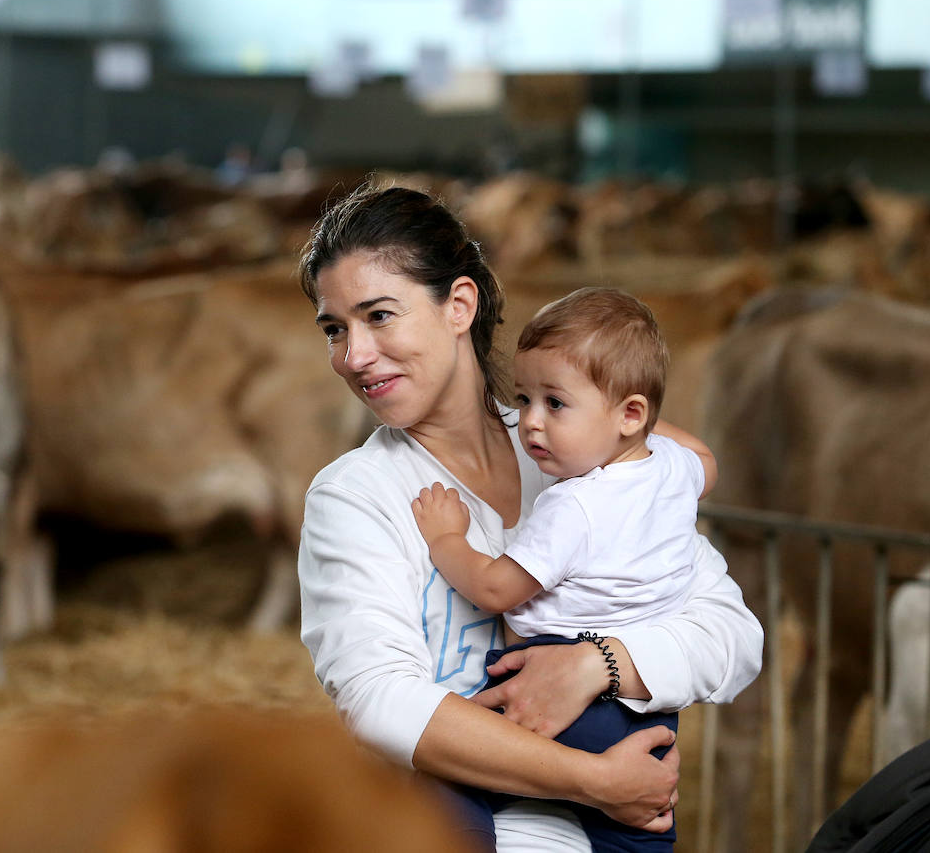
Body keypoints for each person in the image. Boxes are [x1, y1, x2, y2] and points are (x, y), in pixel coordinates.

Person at [297, 184, 763, 852]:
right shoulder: (355, 494)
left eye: (379, 316)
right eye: (335, 329)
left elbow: (731, 635)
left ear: (459, 305)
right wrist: (598, 780)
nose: (353, 356)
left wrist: (596, 666)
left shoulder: (587, 454)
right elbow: (379, 702)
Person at [411, 286, 719, 852]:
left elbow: (495, 586)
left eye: (555, 404)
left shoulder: (574, 504)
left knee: (445, 771)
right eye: (523, 398)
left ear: (631, 414)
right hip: (644, 707)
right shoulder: (675, 468)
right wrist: (630, 430)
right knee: (637, 824)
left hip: (545, 681)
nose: (529, 422)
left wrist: (446, 538)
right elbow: (706, 460)